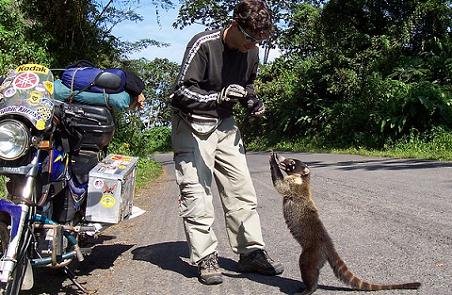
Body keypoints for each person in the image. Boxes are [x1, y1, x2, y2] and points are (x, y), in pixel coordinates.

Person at [170, 0, 283, 285]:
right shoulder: (204, 44)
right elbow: (180, 91)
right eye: (249, 39)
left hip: (225, 124)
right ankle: (206, 256)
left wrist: (252, 100)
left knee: (241, 190)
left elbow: (247, 86)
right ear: (234, 25)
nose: (252, 46)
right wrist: (217, 97)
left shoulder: (251, 52)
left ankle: (251, 253)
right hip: (192, 123)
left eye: (259, 41)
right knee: (197, 191)